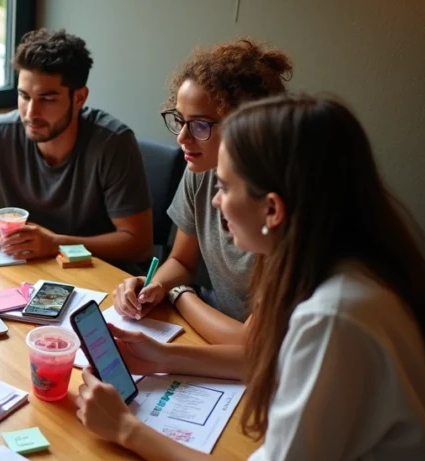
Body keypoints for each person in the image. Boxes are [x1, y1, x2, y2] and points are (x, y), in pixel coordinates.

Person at [76, 95, 425, 461]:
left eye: (225, 188)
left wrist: (128, 430)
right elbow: (273, 361)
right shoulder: (345, 266)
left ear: (272, 209)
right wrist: (160, 358)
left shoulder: (335, 316)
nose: (215, 203)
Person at [113, 39, 293, 345]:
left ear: (247, 124)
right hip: (211, 327)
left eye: (199, 125)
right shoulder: (201, 170)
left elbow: (251, 344)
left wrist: (180, 294)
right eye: (180, 120)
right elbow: (182, 262)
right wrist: (154, 285)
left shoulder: (279, 206)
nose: (182, 137)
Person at [0, 29, 152, 266]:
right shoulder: (1, 133)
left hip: (99, 276)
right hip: (26, 269)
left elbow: (138, 246)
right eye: (24, 96)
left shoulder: (112, 144)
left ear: (79, 98)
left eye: (47, 99)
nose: (31, 113)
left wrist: (55, 243)